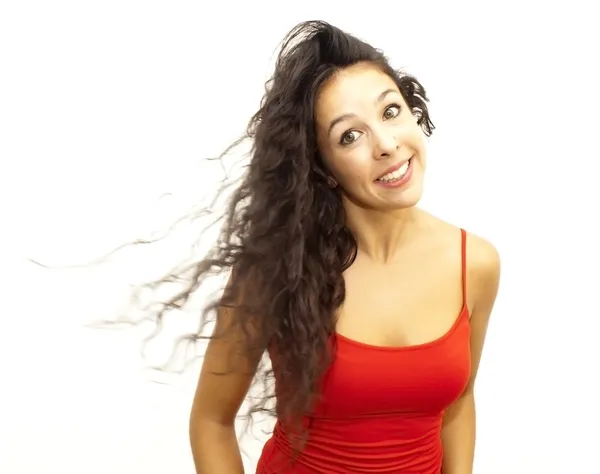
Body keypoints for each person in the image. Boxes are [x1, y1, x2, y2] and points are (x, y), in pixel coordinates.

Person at [185, 20, 501, 474]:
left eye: (390, 111)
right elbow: (211, 421)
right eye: (349, 136)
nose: (388, 145)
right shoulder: (278, 270)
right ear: (323, 167)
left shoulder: (477, 265)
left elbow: (459, 403)